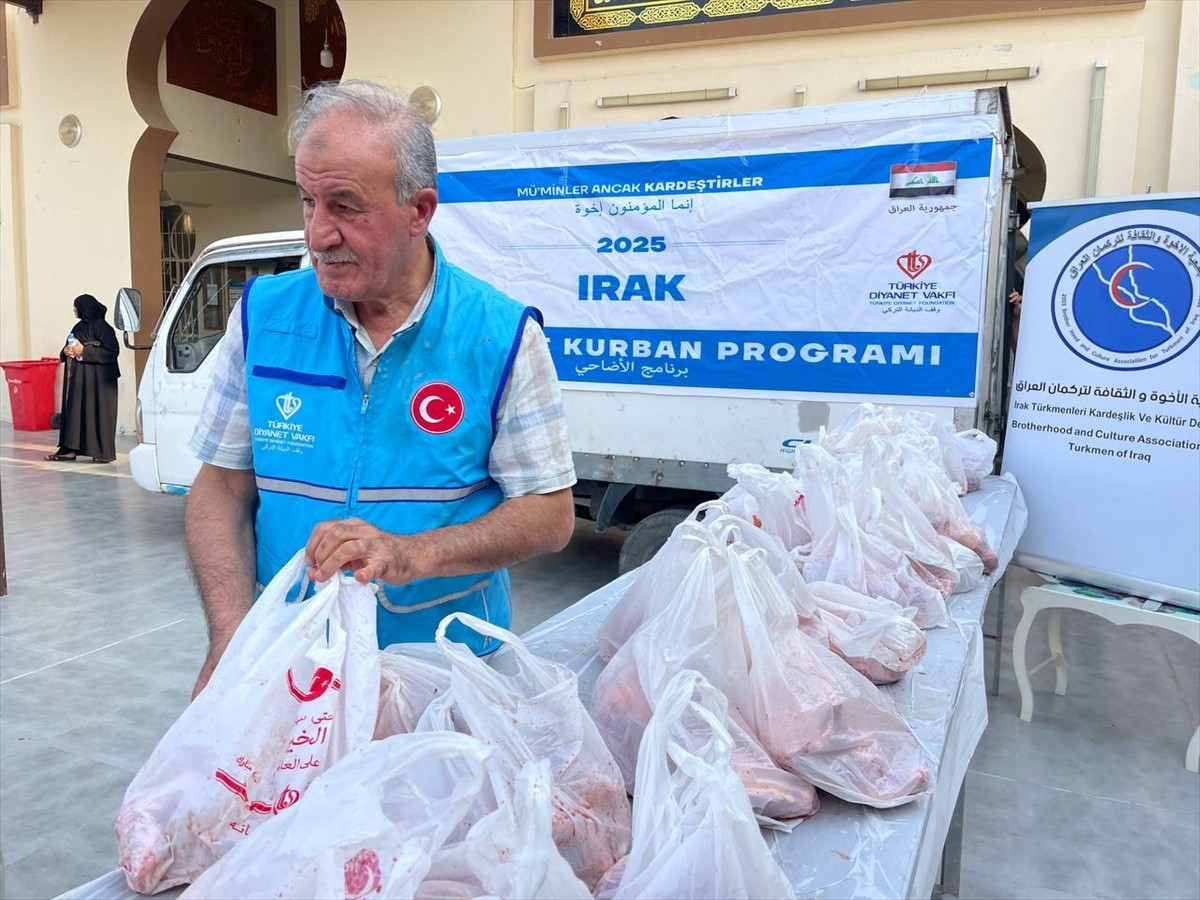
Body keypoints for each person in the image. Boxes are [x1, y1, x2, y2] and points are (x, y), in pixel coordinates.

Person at [185, 80, 577, 697]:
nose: (316, 234)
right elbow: (221, 486)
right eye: (308, 202)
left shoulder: (498, 335)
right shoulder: (264, 316)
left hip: (446, 674)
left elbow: (549, 517)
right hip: (289, 665)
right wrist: (232, 637)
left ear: (419, 210)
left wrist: (411, 553)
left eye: (344, 205)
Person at [44, 293, 120, 463]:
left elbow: (112, 352)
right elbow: (67, 347)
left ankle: (101, 452)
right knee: (75, 415)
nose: (74, 311)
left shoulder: (103, 328)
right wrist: (66, 351)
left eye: (76, 307)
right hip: (79, 382)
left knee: (98, 415)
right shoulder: (77, 327)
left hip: (100, 383)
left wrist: (84, 351)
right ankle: (69, 450)